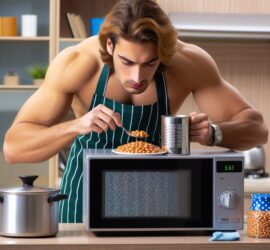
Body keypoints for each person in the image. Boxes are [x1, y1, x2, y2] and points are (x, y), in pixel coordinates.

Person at [3, 0, 268, 223]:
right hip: (83, 200)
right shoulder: (77, 63)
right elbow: (14, 148)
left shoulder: (188, 63)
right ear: (109, 46)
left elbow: (258, 129)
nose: (137, 77)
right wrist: (77, 125)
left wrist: (214, 133)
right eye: (127, 62)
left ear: (163, 53)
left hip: (157, 202)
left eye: (150, 63)